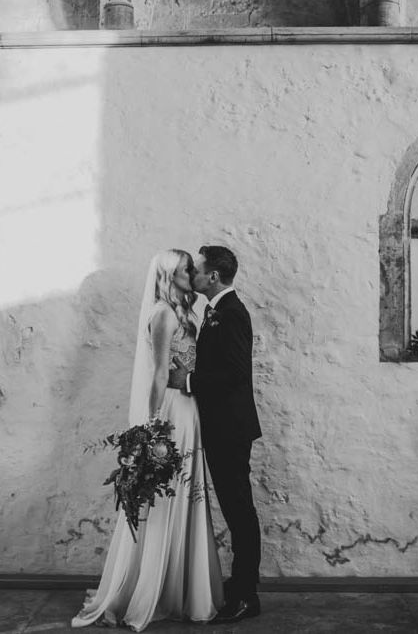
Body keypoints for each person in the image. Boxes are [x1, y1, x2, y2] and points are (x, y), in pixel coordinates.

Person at [72, 249, 223, 631]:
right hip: (172, 411)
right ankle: (148, 587)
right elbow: (158, 375)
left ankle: (184, 589)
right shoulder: (162, 314)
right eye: (187, 268)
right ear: (171, 275)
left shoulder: (185, 312)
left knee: (188, 494)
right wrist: (153, 425)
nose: (193, 272)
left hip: (191, 411)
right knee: (164, 494)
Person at [168, 245, 262, 624]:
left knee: (239, 511)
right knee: (235, 508)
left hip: (231, 429)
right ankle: (240, 586)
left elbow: (236, 374)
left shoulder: (232, 313)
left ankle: (246, 595)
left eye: (198, 271)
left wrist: (187, 380)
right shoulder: (215, 312)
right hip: (221, 426)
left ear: (214, 278)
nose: (193, 276)